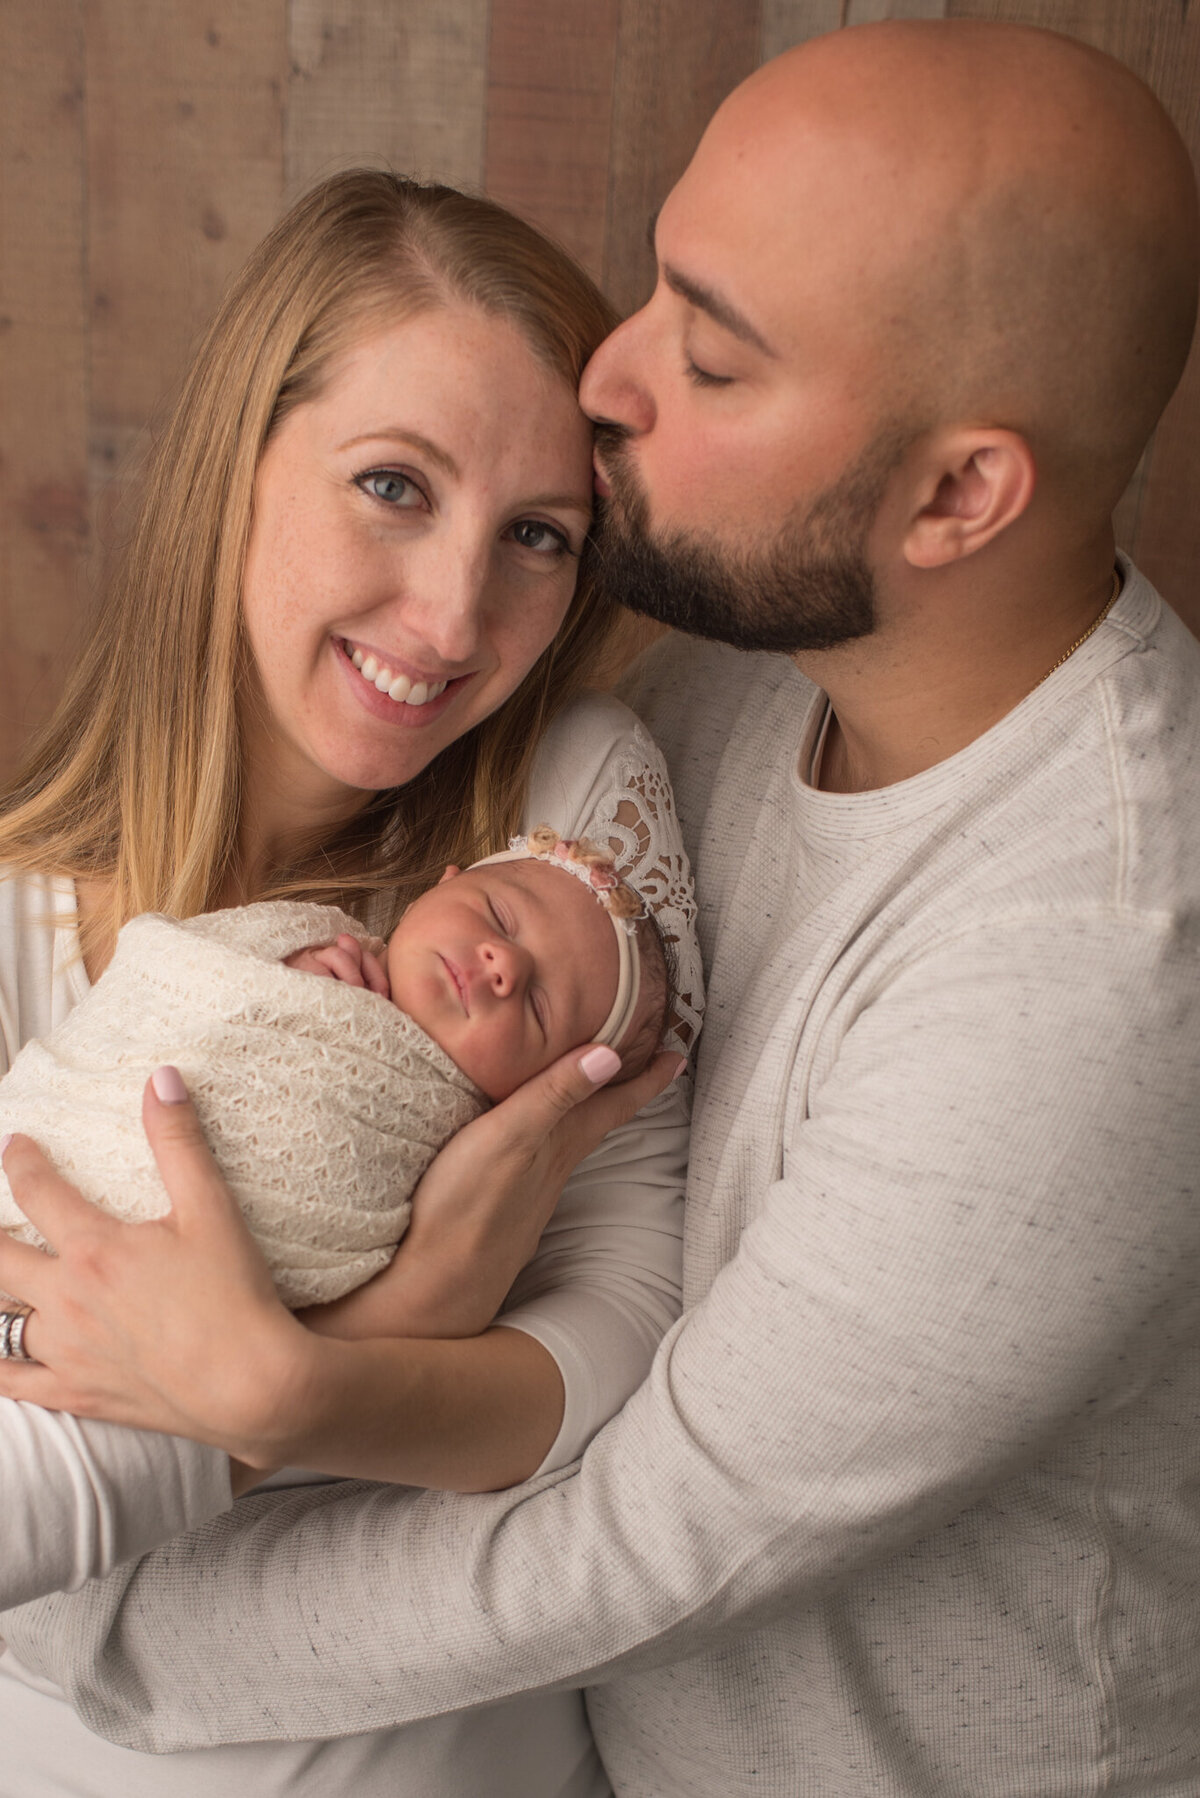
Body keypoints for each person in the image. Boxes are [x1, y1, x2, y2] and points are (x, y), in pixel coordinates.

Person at [2, 17, 1198, 1797]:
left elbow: (645, 1533)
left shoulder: (1096, 962)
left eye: (711, 357)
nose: (612, 376)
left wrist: (97, 1610)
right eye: (659, 286)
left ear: (957, 492)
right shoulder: (711, 706)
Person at [0, 167, 703, 1797]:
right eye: (396, 484)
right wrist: (374, 1344)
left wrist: (268, 1383)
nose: (458, 614)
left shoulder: (557, 843)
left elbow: (626, 1351)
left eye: (539, 536)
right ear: (237, 462)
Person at [0, 835, 668, 1316]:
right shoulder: (312, 938)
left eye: (539, 1006)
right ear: (447, 882)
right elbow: (169, 975)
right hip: (56, 1150)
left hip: (176, 1309)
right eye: (500, 916)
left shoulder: (472, 1154)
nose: (503, 966)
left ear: (541, 1088)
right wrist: (284, 972)